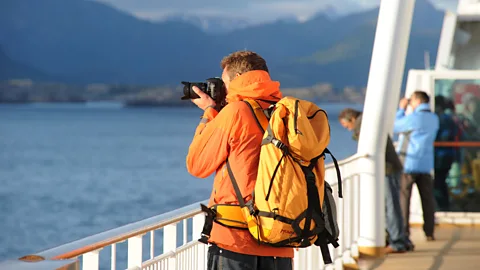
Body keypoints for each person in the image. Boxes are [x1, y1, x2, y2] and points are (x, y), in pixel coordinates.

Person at [186, 50, 293, 270]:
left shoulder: (235, 112)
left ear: (236, 80)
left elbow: (197, 165)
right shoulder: (286, 112)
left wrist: (209, 111)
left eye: (223, 82)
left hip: (236, 239)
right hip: (281, 238)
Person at [338, 108, 409, 253]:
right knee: (391, 205)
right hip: (389, 167)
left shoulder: (363, 124)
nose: (348, 129)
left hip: (387, 169)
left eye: (347, 126)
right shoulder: (366, 121)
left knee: (391, 206)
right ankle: (400, 239)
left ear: (351, 119)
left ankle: (397, 242)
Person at [394, 91, 439, 244]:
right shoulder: (434, 118)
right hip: (426, 165)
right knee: (427, 200)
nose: (410, 103)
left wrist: (401, 109)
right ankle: (429, 231)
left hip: (409, 164)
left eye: (411, 100)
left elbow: (395, 126)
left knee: (404, 199)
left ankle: (404, 232)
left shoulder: (414, 118)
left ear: (418, 101)